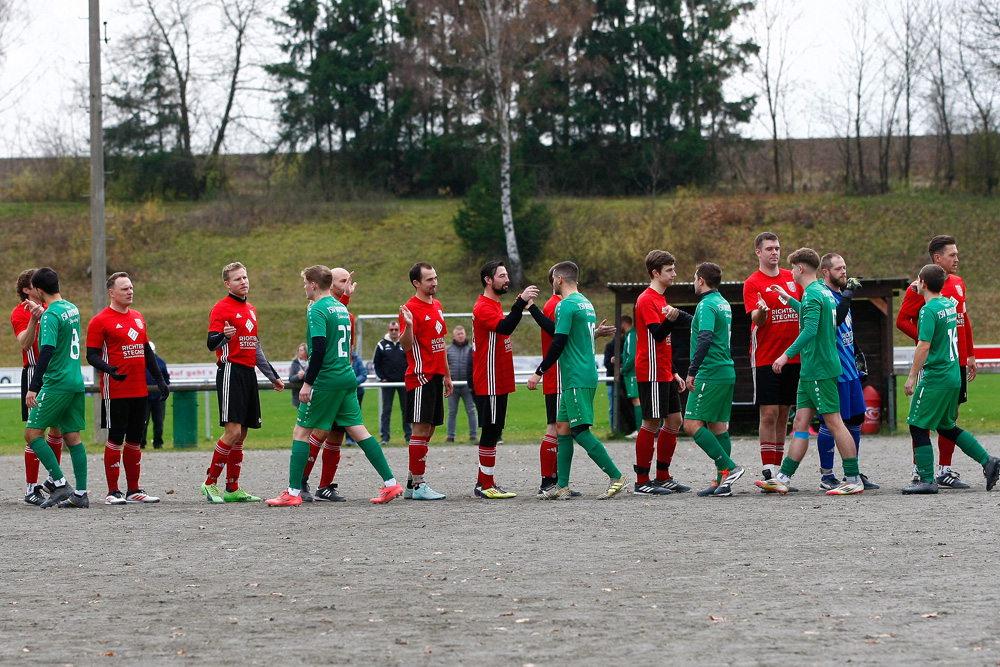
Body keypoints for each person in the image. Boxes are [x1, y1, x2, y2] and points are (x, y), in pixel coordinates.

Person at [266, 266, 403, 506]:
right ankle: (391, 483)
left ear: (312, 284)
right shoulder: (341, 308)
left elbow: (317, 349)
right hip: (346, 378)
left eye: (304, 284)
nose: (304, 288)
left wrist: (307, 383)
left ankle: (293, 492)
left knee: (301, 432)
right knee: (360, 431)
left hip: (326, 380)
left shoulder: (316, 309)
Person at [755, 248, 864, 496]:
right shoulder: (820, 292)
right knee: (801, 423)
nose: (791, 271)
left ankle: (853, 478)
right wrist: (787, 297)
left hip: (819, 369)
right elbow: (811, 314)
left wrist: (785, 355)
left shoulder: (813, 294)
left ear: (801, 269)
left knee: (835, 422)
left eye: (793, 267)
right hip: (810, 371)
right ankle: (783, 477)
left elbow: (810, 329)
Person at [527, 261, 627, 500]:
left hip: (576, 375)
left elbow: (558, 341)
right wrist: (533, 309)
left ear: (559, 280)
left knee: (580, 431)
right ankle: (562, 485)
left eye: (553, 279)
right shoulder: (585, 303)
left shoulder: (565, 305)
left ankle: (616, 476)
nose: (552, 282)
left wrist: (539, 372)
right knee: (562, 428)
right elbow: (569, 334)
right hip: (582, 373)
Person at [901, 264, 999, 494]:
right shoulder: (948, 304)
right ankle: (988, 461)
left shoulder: (928, 311)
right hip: (954, 374)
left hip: (935, 376)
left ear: (923, 283)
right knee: (946, 426)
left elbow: (924, 345)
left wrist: (912, 376)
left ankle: (926, 480)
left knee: (916, 424)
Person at [896, 235, 977, 488]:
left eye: (957, 254)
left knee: (951, 416)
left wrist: (971, 354)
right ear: (937, 258)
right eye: (952, 255)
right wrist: (927, 342)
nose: (957, 259)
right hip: (934, 363)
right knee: (922, 417)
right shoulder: (917, 288)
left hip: (957, 360)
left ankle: (945, 470)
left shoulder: (959, 283)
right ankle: (920, 472)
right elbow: (902, 320)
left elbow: (964, 321)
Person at [201, 262, 284, 504]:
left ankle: (233, 488)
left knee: (242, 434)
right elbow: (211, 343)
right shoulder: (221, 308)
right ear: (227, 284)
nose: (243, 282)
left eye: (245, 277)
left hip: (249, 374)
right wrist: (223, 337)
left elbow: (255, 346)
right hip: (230, 372)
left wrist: (272, 375)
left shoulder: (251, 309)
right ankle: (209, 483)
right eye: (237, 279)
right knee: (233, 431)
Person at [86, 272, 169, 505]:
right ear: (112, 293)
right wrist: (108, 369)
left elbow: (146, 352)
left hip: (139, 390)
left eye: (131, 287)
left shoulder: (138, 318)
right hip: (116, 391)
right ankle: (113, 492)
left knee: (134, 440)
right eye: (124, 288)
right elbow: (90, 355)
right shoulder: (100, 320)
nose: (130, 291)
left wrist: (160, 381)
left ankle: (134, 490)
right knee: (115, 439)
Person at [804, 254, 878, 490]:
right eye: (839, 269)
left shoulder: (839, 296)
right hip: (833, 372)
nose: (844, 272)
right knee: (831, 422)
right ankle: (827, 475)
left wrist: (858, 356)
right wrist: (848, 294)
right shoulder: (825, 297)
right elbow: (837, 318)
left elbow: (847, 330)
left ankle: (851, 471)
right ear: (825, 272)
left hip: (850, 372)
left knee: (855, 420)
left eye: (845, 267)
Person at [470, 260, 539, 498]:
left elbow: (506, 325)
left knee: (494, 429)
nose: (506, 279)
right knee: (490, 430)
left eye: (507, 274)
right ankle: (485, 485)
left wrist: (517, 305)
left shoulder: (495, 304)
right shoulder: (484, 306)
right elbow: (506, 328)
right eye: (501, 275)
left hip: (497, 378)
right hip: (489, 379)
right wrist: (520, 303)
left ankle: (484, 483)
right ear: (488, 280)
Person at [22, 267, 90, 508]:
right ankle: (81, 493)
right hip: (75, 381)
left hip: (57, 383)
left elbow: (47, 351)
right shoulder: (72, 308)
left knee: (32, 434)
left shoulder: (51, 315)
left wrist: (33, 387)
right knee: (72, 437)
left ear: (39, 291)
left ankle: (60, 483)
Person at [743, 232, 803, 486]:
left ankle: (779, 472)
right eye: (769, 249)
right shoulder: (752, 283)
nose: (775, 253)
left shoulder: (792, 279)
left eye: (777, 248)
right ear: (758, 252)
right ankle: (768, 468)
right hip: (766, 357)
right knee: (768, 413)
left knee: (784, 413)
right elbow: (756, 319)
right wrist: (762, 313)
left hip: (794, 357)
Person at [681, 262, 746, 497]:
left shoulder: (706, 304)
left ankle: (728, 467)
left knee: (691, 424)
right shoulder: (722, 303)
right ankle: (723, 483)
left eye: (694, 277)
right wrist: (680, 316)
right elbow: (704, 329)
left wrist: (692, 370)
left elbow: (705, 337)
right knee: (717, 426)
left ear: (701, 280)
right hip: (726, 372)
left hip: (710, 372)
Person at [632, 250, 692, 496]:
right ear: (656, 273)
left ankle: (663, 476)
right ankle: (642, 480)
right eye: (670, 270)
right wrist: (672, 319)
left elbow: (662, 343)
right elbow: (657, 334)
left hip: (665, 371)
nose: (674, 274)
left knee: (675, 421)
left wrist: (675, 372)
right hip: (651, 371)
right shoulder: (647, 299)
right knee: (651, 422)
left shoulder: (660, 299)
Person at [399, 262, 453, 500]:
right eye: (429, 279)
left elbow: (441, 345)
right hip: (421, 377)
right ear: (416, 283)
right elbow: (405, 345)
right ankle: (420, 485)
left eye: (435, 277)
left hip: (437, 376)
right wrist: (409, 326)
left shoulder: (438, 305)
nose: (435, 282)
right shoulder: (409, 309)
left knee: (429, 429)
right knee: (420, 429)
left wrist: (447, 375)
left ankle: (412, 484)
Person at [11, 269, 64, 505]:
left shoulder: (53, 307)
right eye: (35, 284)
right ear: (26, 290)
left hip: (56, 373)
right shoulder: (20, 312)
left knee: (58, 429)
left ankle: (55, 480)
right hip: (35, 371)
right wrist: (35, 318)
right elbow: (24, 342)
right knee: (35, 432)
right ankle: (31, 488)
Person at [373, 321, 411, 446]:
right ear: (388, 330)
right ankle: (385, 437)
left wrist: (408, 377)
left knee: (406, 410)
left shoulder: (404, 343)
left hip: (403, 383)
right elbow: (376, 363)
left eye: (396, 329)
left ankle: (408, 436)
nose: (394, 332)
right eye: (392, 330)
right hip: (388, 383)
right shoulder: (382, 345)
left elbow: (411, 361)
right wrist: (382, 378)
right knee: (386, 410)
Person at [445, 326, 477, 444]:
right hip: (452, 386)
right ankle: (450, 436)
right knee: (452, 411)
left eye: (462, 333)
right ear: (454, 336)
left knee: (471, 410)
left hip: (467, 386)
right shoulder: (448, 350)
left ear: (465, 334)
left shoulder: (471, 349)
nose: (460, 335)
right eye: (458, 334)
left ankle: (473, 435)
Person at [142, 341, 170, 449]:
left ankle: (158, 443)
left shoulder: (161, 362)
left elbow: (166, 377)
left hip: (159, 398)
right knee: (143, 422)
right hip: (145, 397)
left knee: (159, 422)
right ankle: (141, 442)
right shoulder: (142, 362)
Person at [618, 315, 640, 438]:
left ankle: (639, 429)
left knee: (636, 400)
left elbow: (632, 355)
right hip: (635, 371)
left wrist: (624, 369)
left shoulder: (631, 334)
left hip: (632, 373)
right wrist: (620, 357)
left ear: (624, 322)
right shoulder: (633, 334)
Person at [289, 343, 308, 408]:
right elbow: (291, 378)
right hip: (298, 394)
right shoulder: (295, 363)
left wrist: (305, 375)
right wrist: (299, 376)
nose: (299, 352)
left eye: (301, 350)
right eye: (298, 350)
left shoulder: (312, 362)